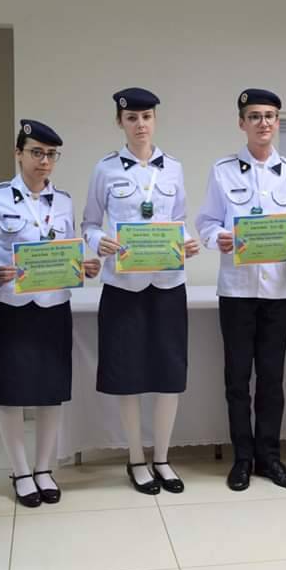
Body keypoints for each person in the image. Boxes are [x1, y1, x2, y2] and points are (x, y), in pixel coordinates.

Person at [81, 88, 199, 495]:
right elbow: (89, 223)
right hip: (123, 286)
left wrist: (188, 242)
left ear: (155, 120)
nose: (140, 124)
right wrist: (98, 242)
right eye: (132, 118)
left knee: (169, 374)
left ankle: (162, 458)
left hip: (167, 285)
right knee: (127, 374)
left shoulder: (173, 169)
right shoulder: (105, 169)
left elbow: (179, 220)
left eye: (146, 116)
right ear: (120, 122)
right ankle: (136, 459)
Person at [0, 120, 100, 507]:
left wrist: (84, 266)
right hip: (8, 307)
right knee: (10, 393)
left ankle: (44, 468)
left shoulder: (63, 201)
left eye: (50, 154)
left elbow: (68, 250)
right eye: (36, 152)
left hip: (52, 307)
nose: (43, 161)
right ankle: (20, 471)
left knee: (51, 391)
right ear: (19, 153)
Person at [195, 89, 286, 491]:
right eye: (255, 116)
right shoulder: (222, 170)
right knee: (237, 380)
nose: (263, 122)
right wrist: (218, 237)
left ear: (278, 122)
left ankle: (269, 458)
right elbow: (205, 222)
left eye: (270, 115)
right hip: (237, 291)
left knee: (272, 380)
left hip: (276, 291)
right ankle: (242, 458)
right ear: (242, 123)